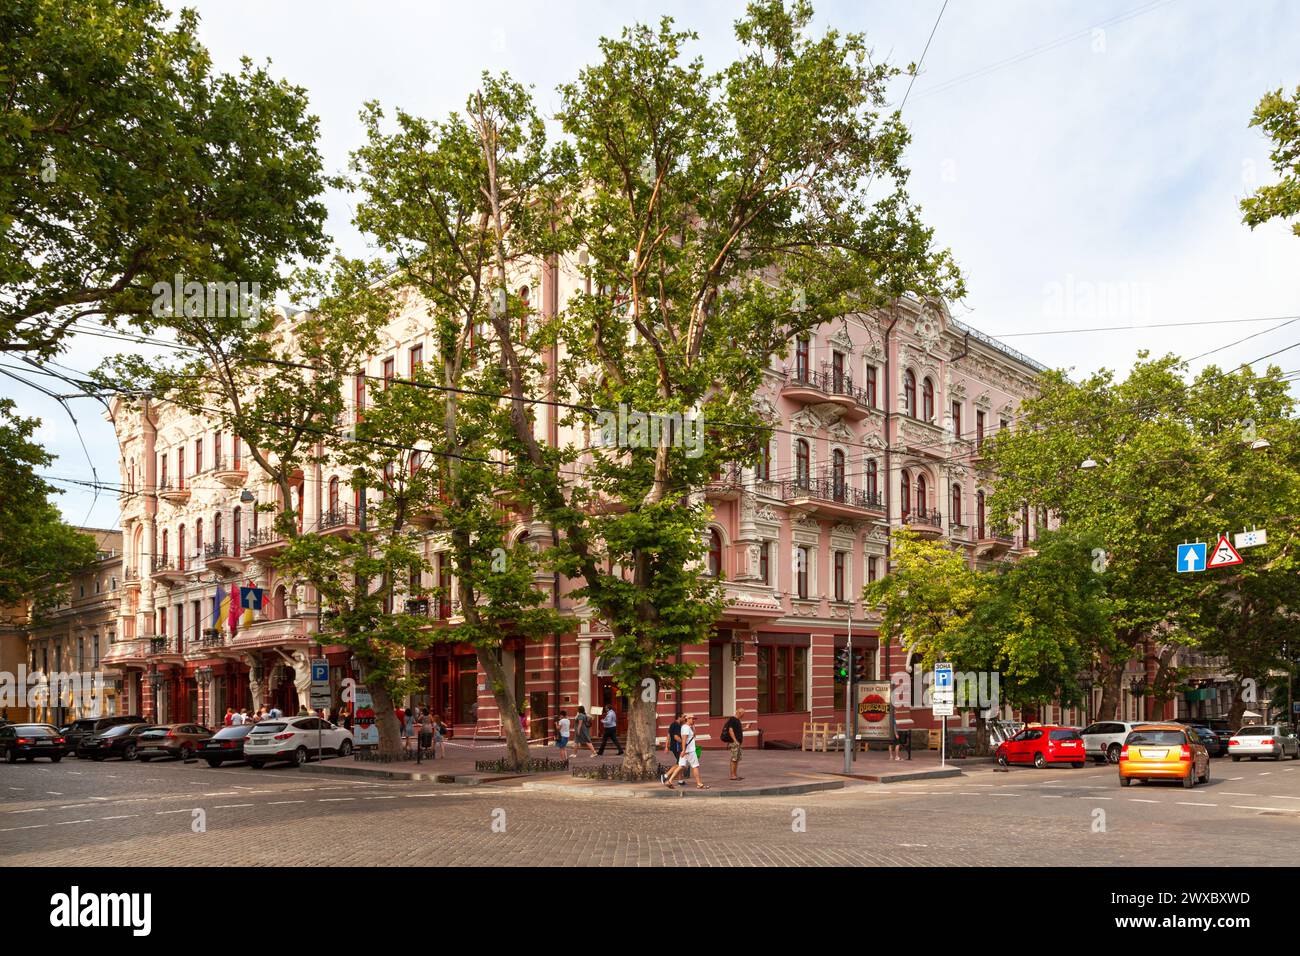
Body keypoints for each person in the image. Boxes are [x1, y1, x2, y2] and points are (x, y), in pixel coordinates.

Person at [663, 714, 708, 790]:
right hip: (689, 751)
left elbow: (694, 735)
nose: (694, 720)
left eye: (694, 719)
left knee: (681, 766)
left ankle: (669, 781)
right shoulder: (686, 728)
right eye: (692, 719)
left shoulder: (687, 727)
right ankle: (699, 784)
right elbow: (684, 739)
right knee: (695, 766)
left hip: (686, 751)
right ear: (688, 719)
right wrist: (684, 750)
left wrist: (693, 727)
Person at [721, 707, 746, 781]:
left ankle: (735, 775)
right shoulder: (733, 719)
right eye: (743, 714)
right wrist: (735, 741)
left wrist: (746, 728)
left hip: (737, 743)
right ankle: (733, 775)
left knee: (737, 759)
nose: (743, 715)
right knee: (734, 758)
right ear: (739, 713)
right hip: (734, 743)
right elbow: (730, 730)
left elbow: (738, 731)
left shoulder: (737, 720)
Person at [665, 712, 689, 784]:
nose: (684, 718)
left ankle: (680, 780)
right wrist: (684, 743)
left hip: (673, 746)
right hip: (677, 747)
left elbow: (668, 735)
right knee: (680, 764)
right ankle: (665, 776)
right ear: (679, 717)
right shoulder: (677, 725)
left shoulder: (672, 724)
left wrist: (666, 746)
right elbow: (676, 737)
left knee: (680, 763)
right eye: (683, 717)